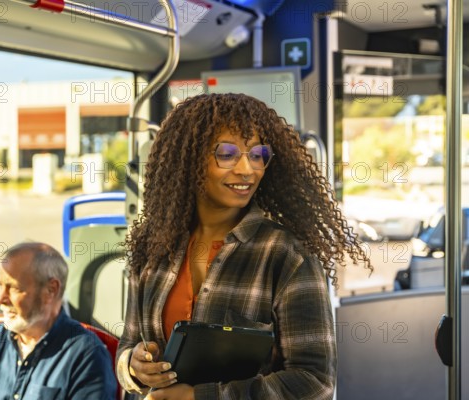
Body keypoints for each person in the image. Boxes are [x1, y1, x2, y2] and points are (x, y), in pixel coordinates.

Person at [116, 93, 372, 400]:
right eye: (227, 154)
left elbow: (315, 382)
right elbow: (129, 344)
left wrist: (201, 397)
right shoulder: (151, 248)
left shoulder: (287, 255)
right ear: (189, 159)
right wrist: (132, 368)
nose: (247, 169)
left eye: (258, 154)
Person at [0, 242, 117, 400]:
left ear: (50, 290)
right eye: (0, 286)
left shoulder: (86, 356)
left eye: (14, 288)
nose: (0, 299)